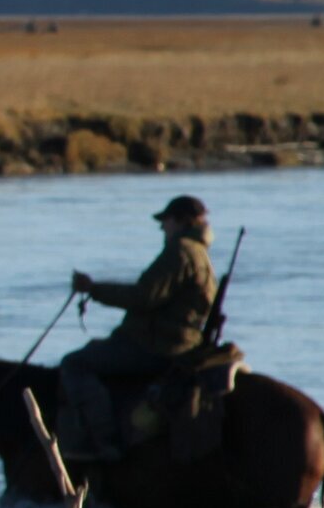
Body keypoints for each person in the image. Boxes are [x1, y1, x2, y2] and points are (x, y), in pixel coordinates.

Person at [55, 193, 219, 454]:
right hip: (179, 343)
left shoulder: (180, 252)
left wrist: (93, 289)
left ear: (181, 221)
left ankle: (104, 441)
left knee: (75, 364)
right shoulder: (199, 254)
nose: (162, 228)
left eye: (165, 222)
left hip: (158, 346)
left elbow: (143, 297)